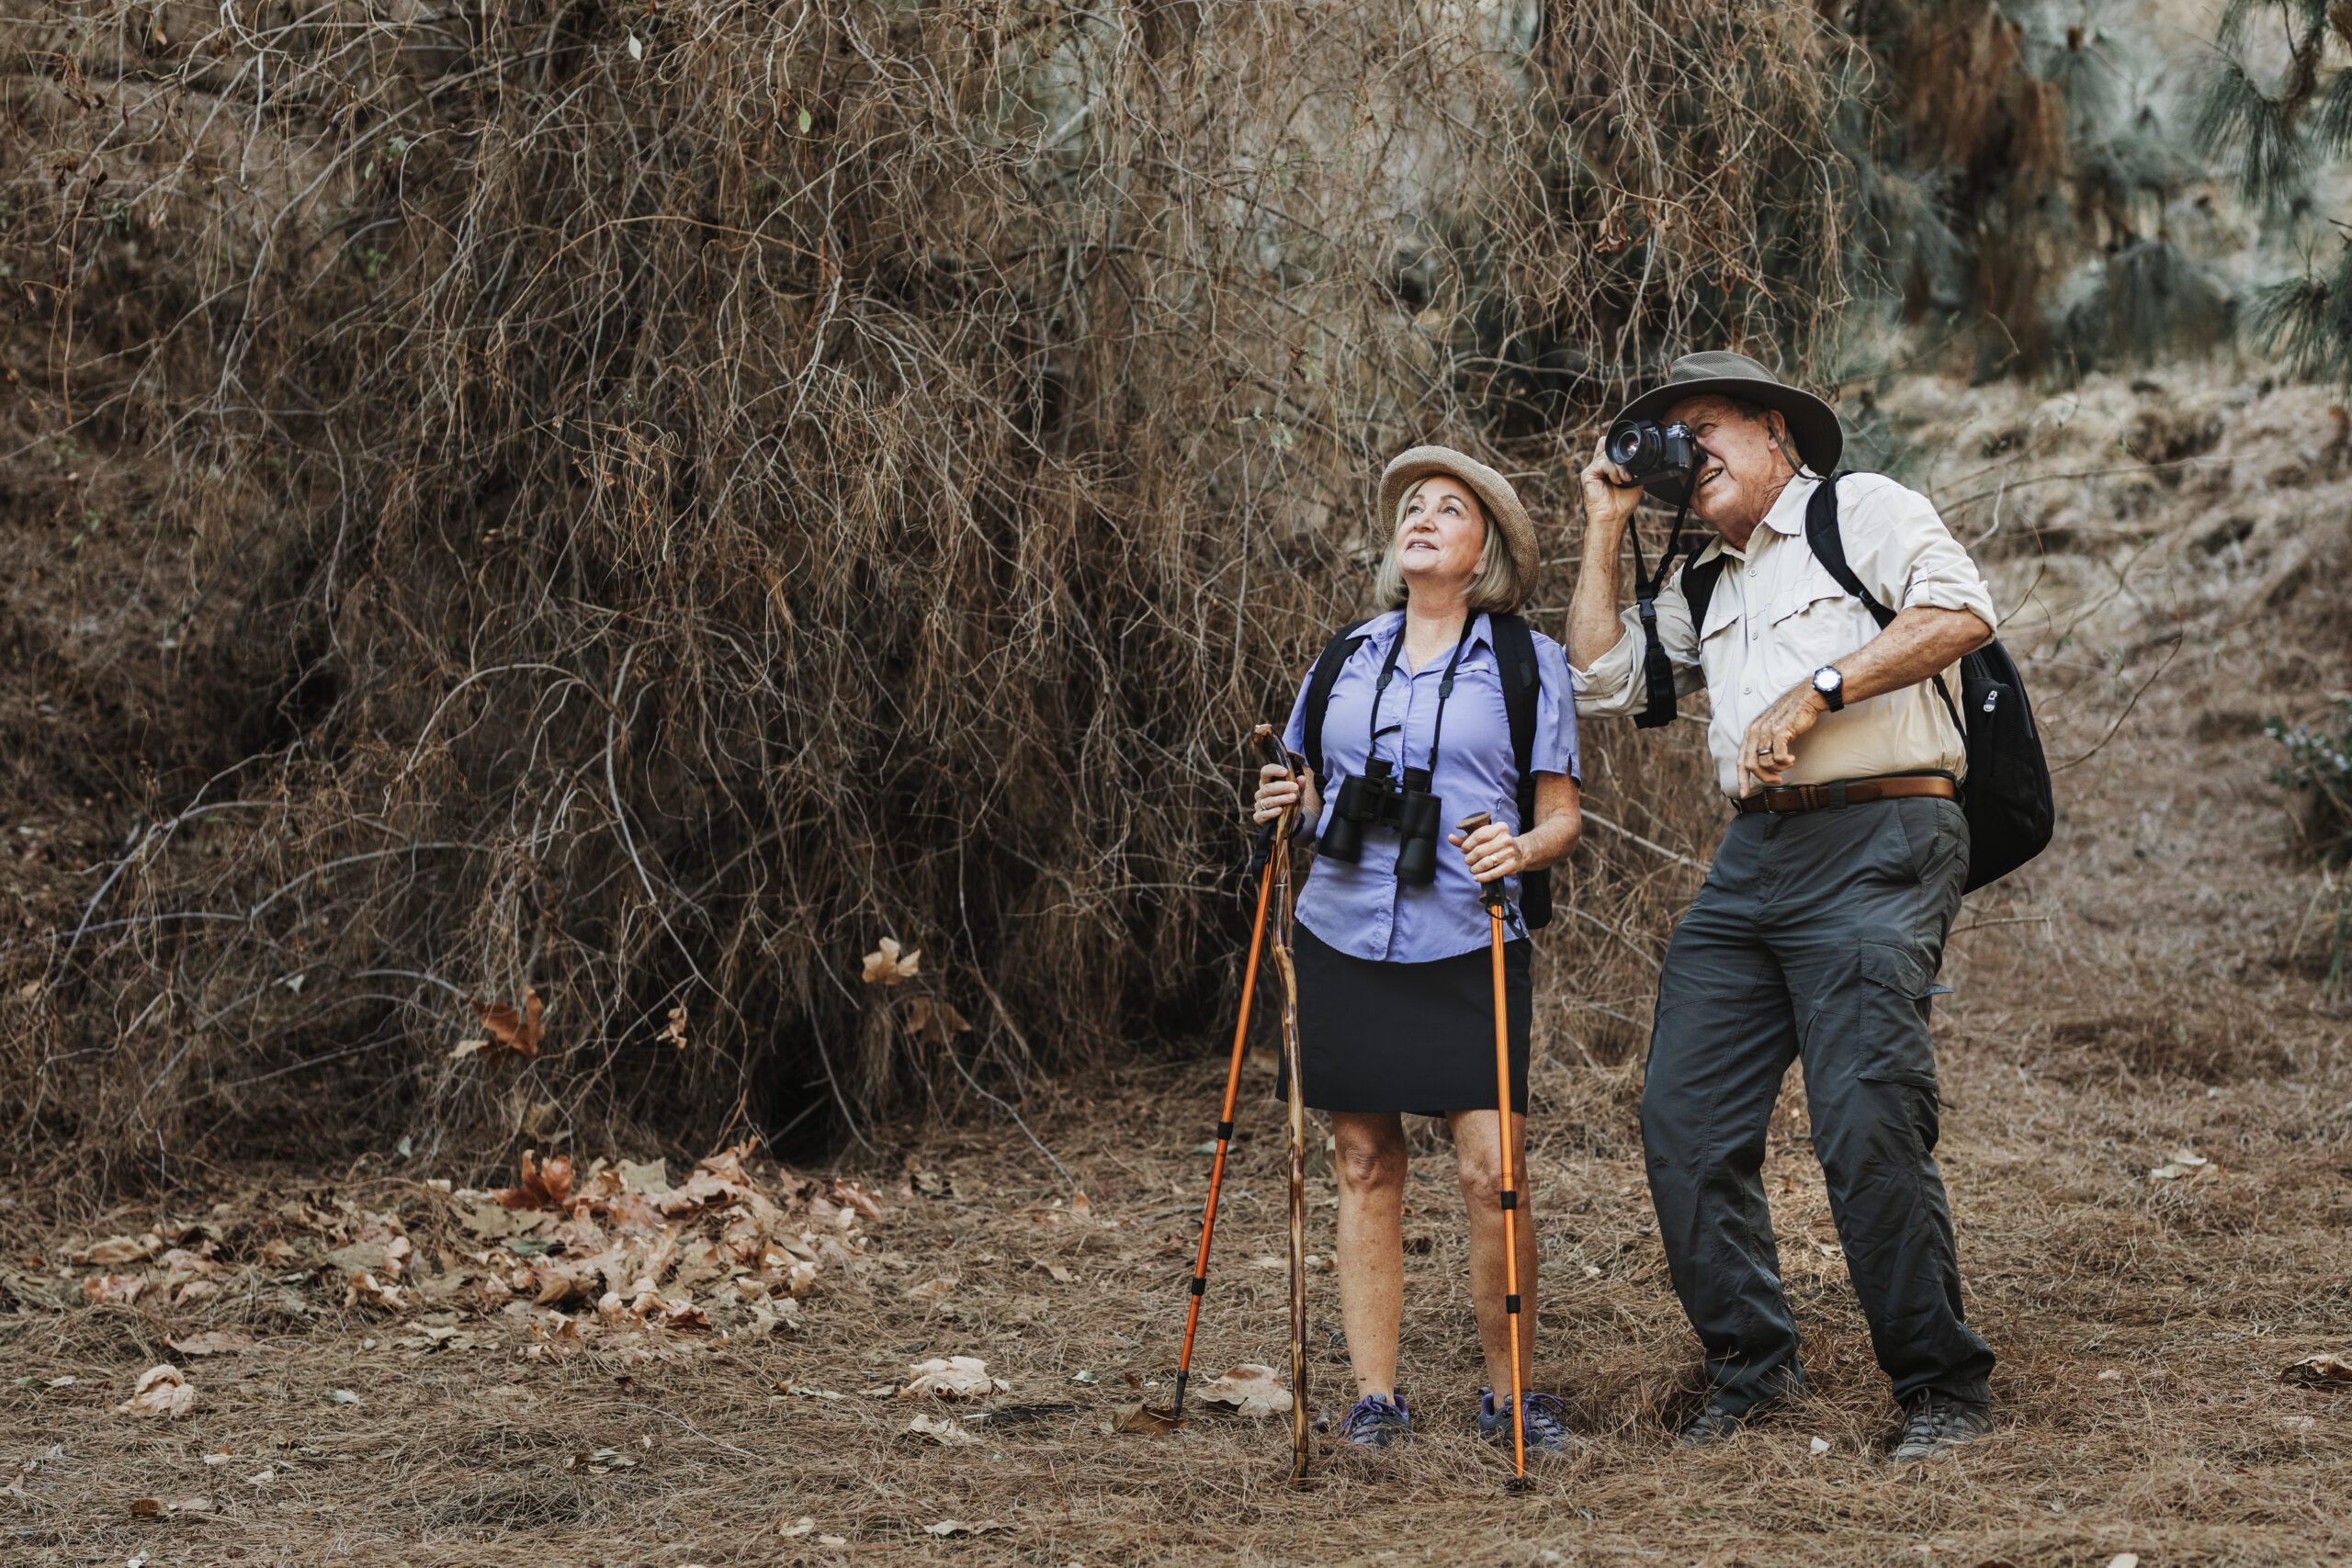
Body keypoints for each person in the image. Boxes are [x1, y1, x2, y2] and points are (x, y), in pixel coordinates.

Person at [1565, 351, 2000, 1461]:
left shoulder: (1859, 511)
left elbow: (1959, 612)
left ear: (1776, 435)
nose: (1687, 450)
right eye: (1672, 437)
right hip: (1752, 857)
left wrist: (1820, 689)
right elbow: (1601, 682)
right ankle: (1753, 1370)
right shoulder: (1706, 580)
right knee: (1683, 1118)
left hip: (1883, 832)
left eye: (1703, 426)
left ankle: (1941, 1387)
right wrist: (1608, 524)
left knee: (1862, 1121)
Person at [1250, 446, 1582, 1455]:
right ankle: (1374, 1398)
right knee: (1361, 1159)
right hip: (1343, 931)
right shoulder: (1346, 653)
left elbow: (1560, 817)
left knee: (1492, 1170)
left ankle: (1510, 1394)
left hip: (1467, 935)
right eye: (1413, 507)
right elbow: (1306, 793)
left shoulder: (1527, 665)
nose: (1423, 518)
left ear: (1484, 550)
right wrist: (1286, 804)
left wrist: (1516, 847)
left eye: (1450, 507)